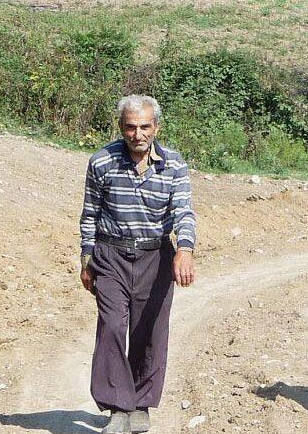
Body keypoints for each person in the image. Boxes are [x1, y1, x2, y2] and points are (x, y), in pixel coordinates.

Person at [79, 95, 196, 433]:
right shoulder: (102, 161)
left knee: (150, 330)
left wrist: (184, 249)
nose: (137, 134)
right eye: (130, 127)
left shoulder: (173, 164)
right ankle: (118, 407)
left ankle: (141, 403)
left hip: (155, 256)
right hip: (111, 255)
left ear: (156, 127)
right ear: (121, 128)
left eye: (145, 126)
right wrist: (87, 259)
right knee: (113, 325)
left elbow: (183, 213)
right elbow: (90, 215)